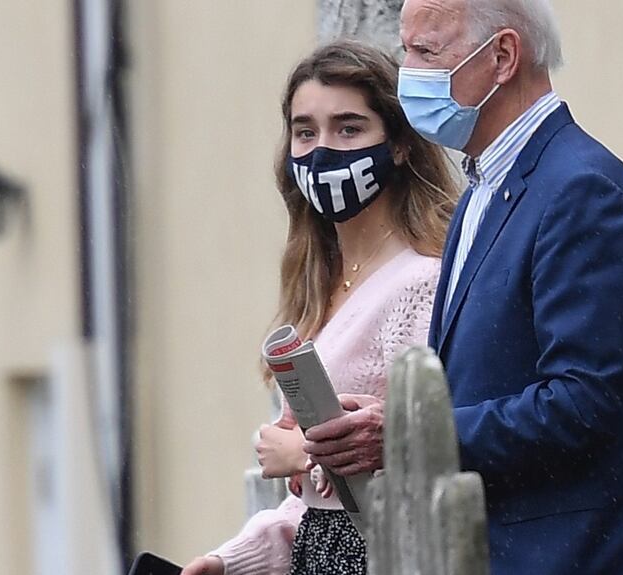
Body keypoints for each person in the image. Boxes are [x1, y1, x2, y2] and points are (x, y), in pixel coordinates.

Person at [302, 1, 623, 573]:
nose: (407, 70)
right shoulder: (482, 189)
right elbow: (483, 385)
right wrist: (391, 416)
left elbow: (585, 406)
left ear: (503, 56)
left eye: (426, 51)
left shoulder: (582, 190)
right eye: (407, 49)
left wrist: (407, 431)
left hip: (579, 556)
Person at [182, 40, 458, 575]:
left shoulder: (422, 283)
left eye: (349, 128)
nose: (323, 150)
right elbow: (315, 511)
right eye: (305, 132)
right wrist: (227, 561)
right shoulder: (319, 285)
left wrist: (304, 458)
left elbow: (424, 462)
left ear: (399, 144)